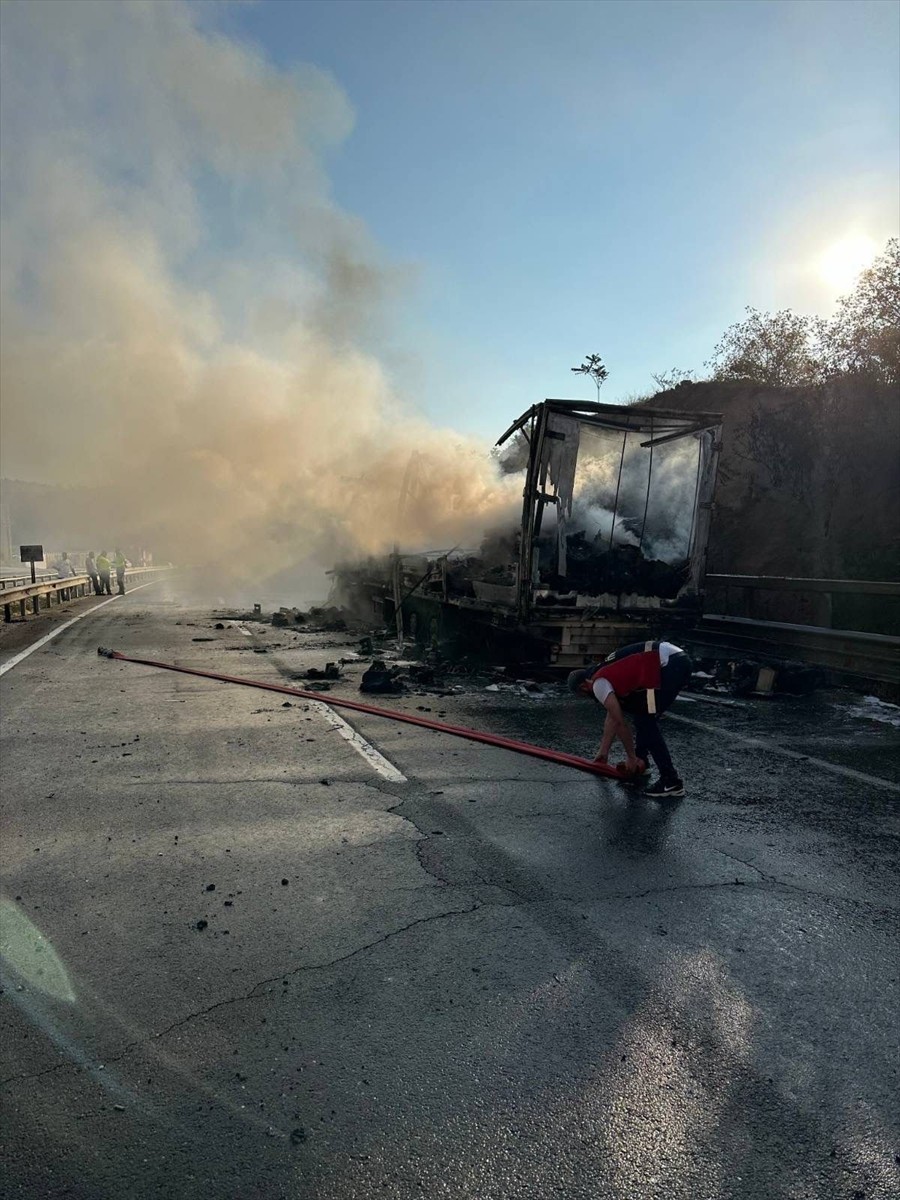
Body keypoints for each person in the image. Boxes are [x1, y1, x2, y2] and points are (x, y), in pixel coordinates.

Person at [568, 640, 693, 798]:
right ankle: (642, 763)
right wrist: (603, 753)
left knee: (645, 722)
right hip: (672, 659)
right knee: (642, 713)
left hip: (670, 663)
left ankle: (671, 781)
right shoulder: (603, 673)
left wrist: (630, 757)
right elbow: (612, 716)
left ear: (583, 687)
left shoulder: (597, 684)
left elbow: (620, 723)